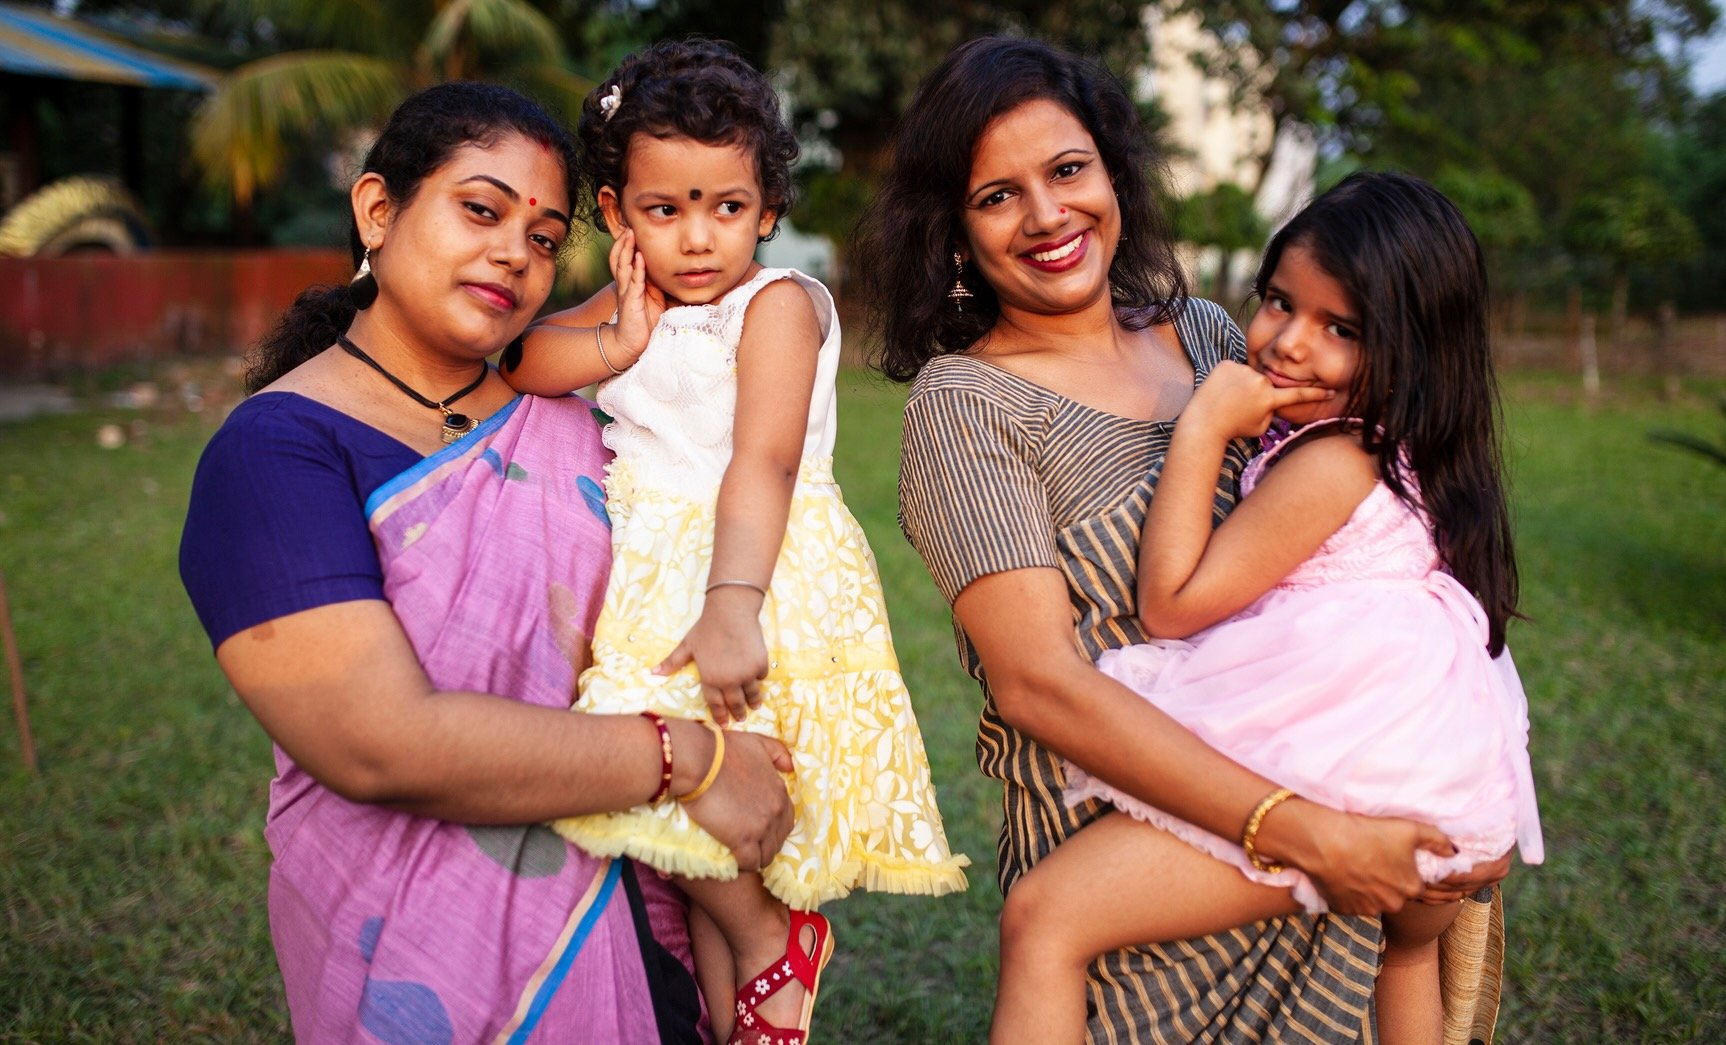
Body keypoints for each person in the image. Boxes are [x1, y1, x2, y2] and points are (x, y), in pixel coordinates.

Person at [859, 36, 1513, 1042]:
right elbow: (1038, 685)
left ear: (1114, 172)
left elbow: (1375, 520)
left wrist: (1452, 757)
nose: (1047, 215)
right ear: (951, 231)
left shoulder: (1208, 333)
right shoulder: (969, 405)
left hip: (1321, 786)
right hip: (1135, 832)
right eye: (996, 196)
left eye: (1068, 170)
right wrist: (1299, 830)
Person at [179, 81, 801, 1042]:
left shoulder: (585, 427)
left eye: (545, 238)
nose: (516, 253)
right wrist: (688, 758)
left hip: (647, 912)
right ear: (377, 210)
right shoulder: (276, 454)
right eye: (481, 210)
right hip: (412, 944)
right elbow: (378, 740)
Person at [990, 171, 1545, 1044]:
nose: (1288, 343)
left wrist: (1204, 425)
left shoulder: (1334, 461)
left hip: (1368, 790)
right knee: (1405, 959)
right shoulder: (1420, 454)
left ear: (1413, 349)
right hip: (1444, 795)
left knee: (1047, 917)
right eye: (1280, 302)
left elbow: (1171, 605)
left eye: (1341, 329)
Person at [499, 39, 968, 1044]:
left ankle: (771, 942)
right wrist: (616, 341)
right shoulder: (634, 303)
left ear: (768, 209)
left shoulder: (776, 306)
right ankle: (743, 1003)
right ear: (618, 213)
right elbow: (520, 358)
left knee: (643, 766)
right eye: (666, 210)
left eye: (726, 207)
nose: (699, 237)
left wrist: (731, 604)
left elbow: (766, 461)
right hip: (653, 572)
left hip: (751, 568)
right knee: (691, 829)